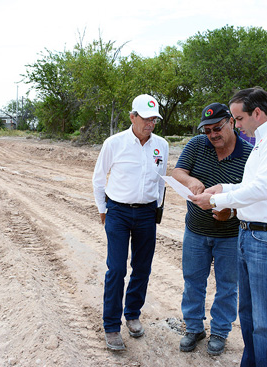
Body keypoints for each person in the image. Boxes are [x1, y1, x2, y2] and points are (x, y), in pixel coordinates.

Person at [190, 87, 267, 366]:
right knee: (251, 317)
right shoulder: (264, 141)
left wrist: (216, 199)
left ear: (256, 113)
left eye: (238, 119)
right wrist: (225, 188)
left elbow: (262, 188)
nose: (236, 125)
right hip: (252, 235)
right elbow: (252, 186)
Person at [172, 102, 252, 356]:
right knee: (193, 281)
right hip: (195, 230)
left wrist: (232, 211)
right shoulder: (197, 144)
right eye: (207, 131)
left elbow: (253, 196)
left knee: (228, 285)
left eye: (217, 128)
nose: (212, 135)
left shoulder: (250, 154)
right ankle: (194, 328)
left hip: (230, 235)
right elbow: (177, 172)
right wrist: (190, 179)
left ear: (231, 121)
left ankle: (219, 331)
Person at [92, 94, 169, 351]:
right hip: (118, 212)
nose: (151, 124)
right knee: (116, 269)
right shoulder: (114, 143)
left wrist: (157, 208)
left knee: (142, 267)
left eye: (154, 119)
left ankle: (132, 313)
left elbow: (160, 181)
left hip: (147, 213)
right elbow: (98, 178)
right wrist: (104, 210)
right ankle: (111, 326)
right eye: (146, 119)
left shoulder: (162, 145)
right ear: (132, 117)